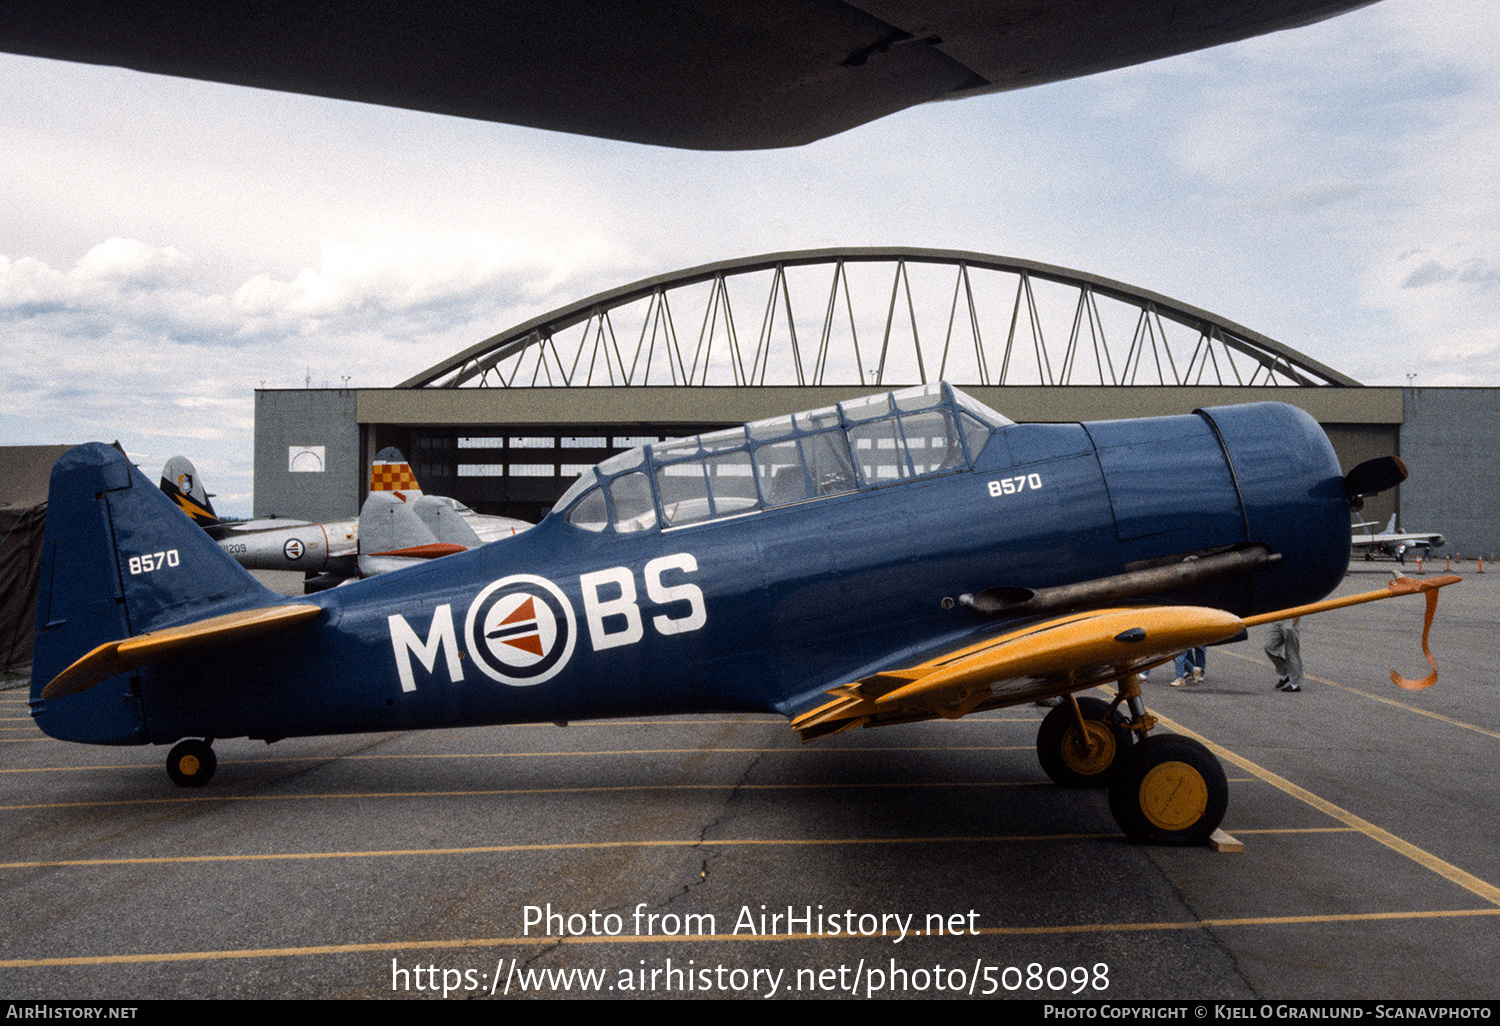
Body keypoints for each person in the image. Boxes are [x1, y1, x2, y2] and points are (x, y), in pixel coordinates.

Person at [1264, 617, 1303, 692]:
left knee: (1291, 653)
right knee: (1269, 647)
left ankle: (1295, 684)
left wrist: (1293, 622)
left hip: (1290, 619)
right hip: (1277, 617)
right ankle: (1286, 673)